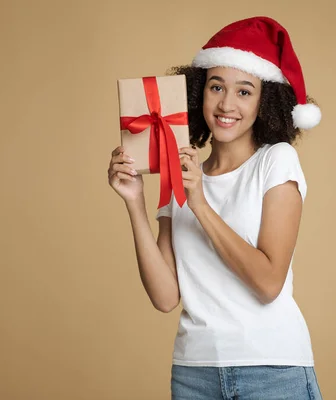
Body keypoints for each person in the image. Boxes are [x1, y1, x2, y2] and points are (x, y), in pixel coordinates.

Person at [108, 16, 323, 400]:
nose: (226, 104)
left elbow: (269, 282)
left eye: (244, 91)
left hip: (271, 371)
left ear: (266, 101)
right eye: (216, 86)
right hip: (194, 374)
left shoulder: (276, 161)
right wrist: (135, 201)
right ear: (198, 93)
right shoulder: (183, 173)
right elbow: (165, 297)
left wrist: (200, 205)